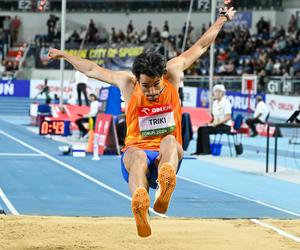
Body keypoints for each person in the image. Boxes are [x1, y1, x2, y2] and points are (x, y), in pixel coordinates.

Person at [48, 6, 235, 237]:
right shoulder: (127, 83)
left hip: (167, 153)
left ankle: (165, 184)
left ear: (162, 76)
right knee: (136, 155)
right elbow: (92, 69)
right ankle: (141, 206)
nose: (153, 91)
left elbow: (202, 46)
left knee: (169, 140)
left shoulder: (173, 71)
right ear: (137, 80)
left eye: (156, 84)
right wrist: (66, 56)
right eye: (145, 86)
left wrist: (222, 19)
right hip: (135, 151)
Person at [193, 84, 232, 155]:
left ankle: (207, 151)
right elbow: (214, 117)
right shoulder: (214, 103)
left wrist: (217, 124)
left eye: (219, 92)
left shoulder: (226, 102)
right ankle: (199, 151)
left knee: (205, 131)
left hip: (225, 126)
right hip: (216, 124)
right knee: (201, 129)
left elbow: (228, 117)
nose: (217, 93)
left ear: (223, 93)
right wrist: (209, 123)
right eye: (216, 91)